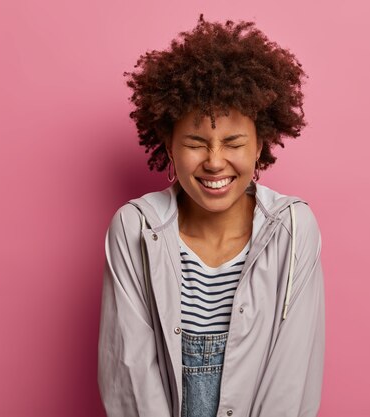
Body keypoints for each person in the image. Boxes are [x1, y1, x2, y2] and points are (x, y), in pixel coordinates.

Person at [98, 14, 325, 417]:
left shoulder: (292, 229)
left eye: (233, 142)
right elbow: (129, 374)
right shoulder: (135, 227)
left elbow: (291, 379)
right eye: (196, 143)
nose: (215, 162)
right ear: (168, 144)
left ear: (260, 145)